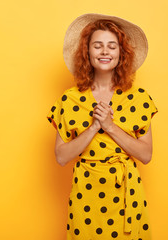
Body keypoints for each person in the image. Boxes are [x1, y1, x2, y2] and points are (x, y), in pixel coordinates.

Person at [47, 13, 158, 240]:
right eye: (98, 46)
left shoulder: (139, 98)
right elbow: (61, 157)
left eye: (112, 46)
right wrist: (93, 127)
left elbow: (146, 155)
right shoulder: (69, 100)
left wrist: (109, 126)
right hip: (86, 195)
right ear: (87, 52)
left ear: (121, 53)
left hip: (126, 195)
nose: (105, 52)